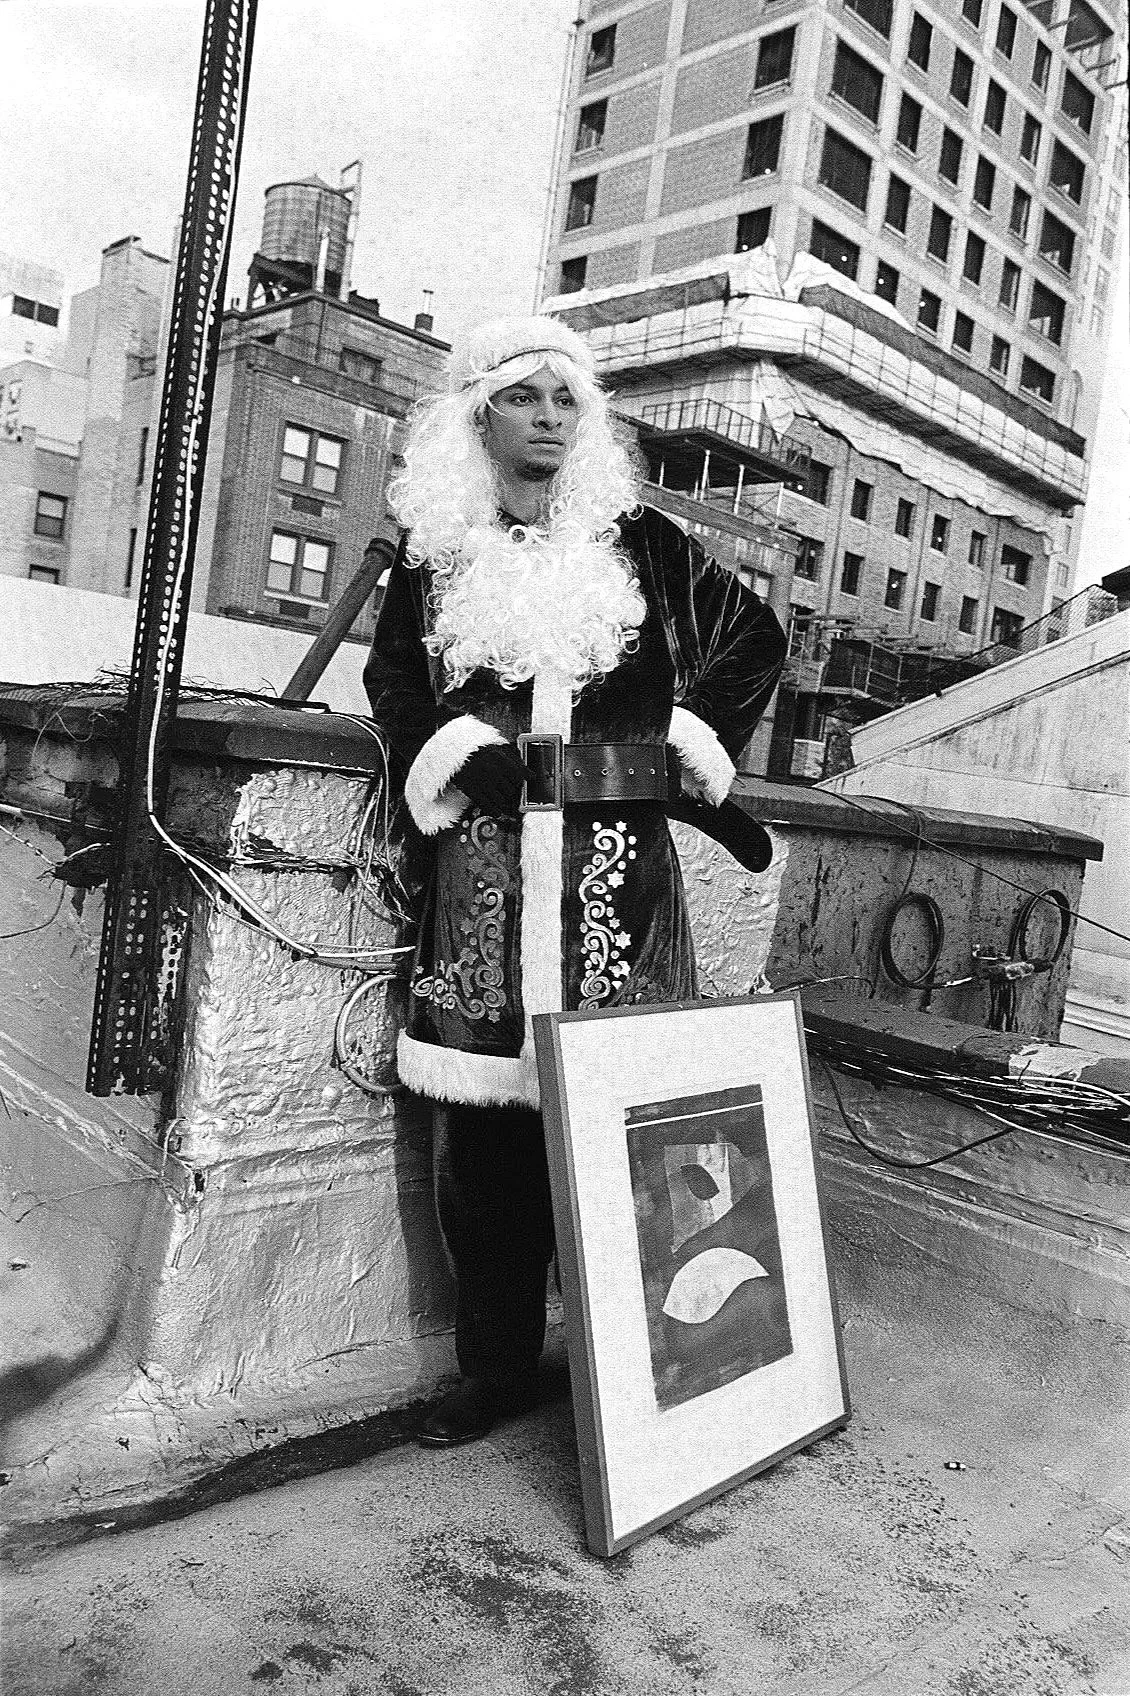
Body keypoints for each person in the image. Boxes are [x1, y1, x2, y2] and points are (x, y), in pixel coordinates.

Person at [364, 314, 786, 1447]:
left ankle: (643, 1374)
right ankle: (494, 1372)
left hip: (617, 880)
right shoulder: (433, 556)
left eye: (567, 401)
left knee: (623, 1132)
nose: (549, 418)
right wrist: (453, 753)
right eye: (525, 398)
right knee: (484, 1155)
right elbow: (394, 682)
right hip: (487, 884)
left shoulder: (639, 542)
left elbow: (752, 635)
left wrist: (686, 740)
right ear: (481, 416)